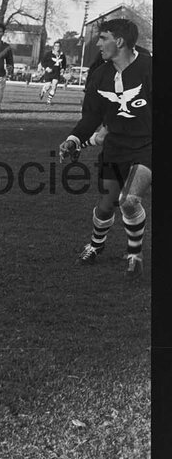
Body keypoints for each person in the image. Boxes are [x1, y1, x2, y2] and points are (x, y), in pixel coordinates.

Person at [59, 18, 151, 279]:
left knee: (129, 200)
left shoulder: (150, 68)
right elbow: (91, 117)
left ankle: (134, 256)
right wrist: (74, 139)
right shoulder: (100, 75)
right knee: (106, 205)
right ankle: (96, 245)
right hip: (115, 147)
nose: (98, 44)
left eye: (102, 38)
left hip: (148, 145)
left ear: (119, 41)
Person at [38, 40, 67, 104]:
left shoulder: (62, 55)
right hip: (49, 72)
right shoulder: (48, 54)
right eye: (56, 46)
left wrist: (63, 69)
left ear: (60, 47)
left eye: (58, 46)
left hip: (56, 73)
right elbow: (43, 62)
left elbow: (64, 64)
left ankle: (48, 101)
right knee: (48, 86)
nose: (57, 47)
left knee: (54, 86)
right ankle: (43, 91)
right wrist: (46, 68)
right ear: (53, 46)